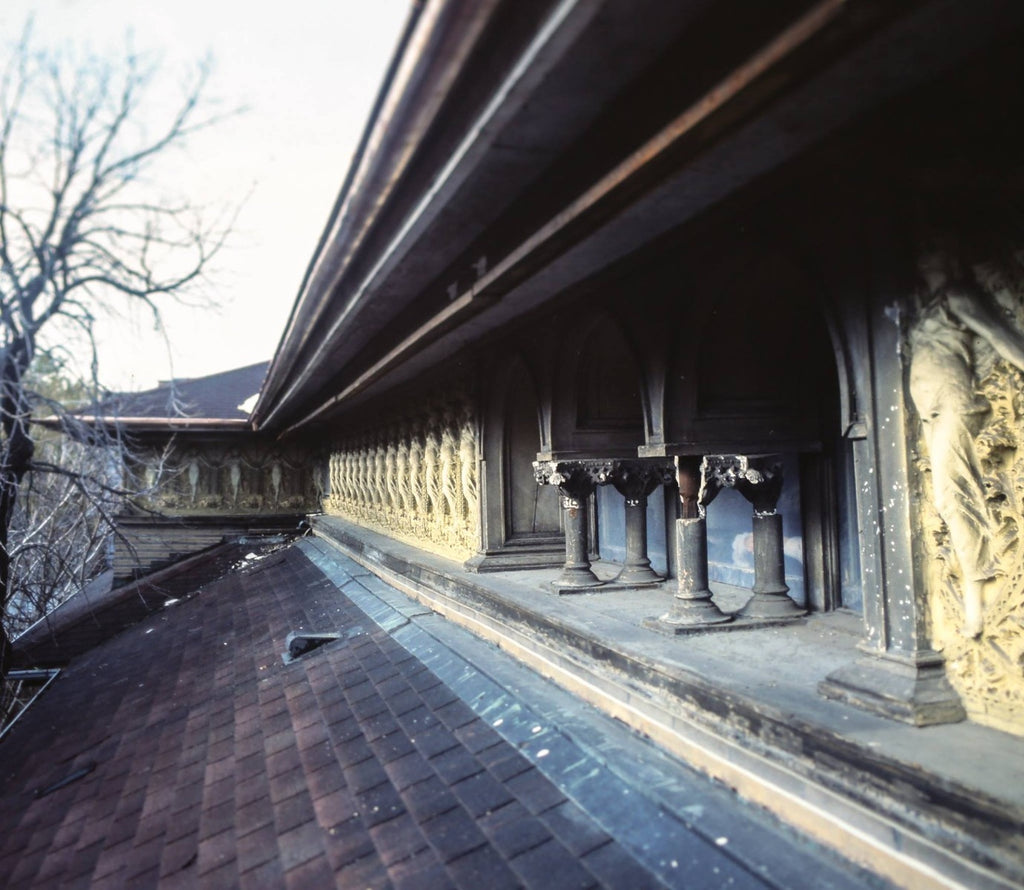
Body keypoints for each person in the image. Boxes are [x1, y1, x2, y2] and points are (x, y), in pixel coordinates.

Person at [910, 251, 1024, 637]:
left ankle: (976, 602)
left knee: (955, 496)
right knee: (946, 498)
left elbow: (998, 335)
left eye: (935, 254)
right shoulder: (925, 307)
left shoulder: (957, 295)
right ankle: (973, 592)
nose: (926, 262)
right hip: (932, 408)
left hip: (954, 405)